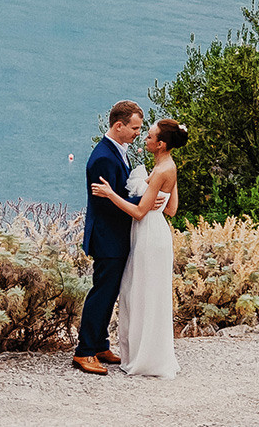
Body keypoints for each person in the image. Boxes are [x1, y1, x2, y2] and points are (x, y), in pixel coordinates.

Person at [92, 117, 187, 378]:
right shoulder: (168, 166)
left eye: (150, 136)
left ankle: (144, 358)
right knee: (148, 293)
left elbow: (139, 212)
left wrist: (111, 194)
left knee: (141, 293)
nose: (145, 138)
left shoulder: (160, 171)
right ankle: (147, 353)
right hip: (157, 234)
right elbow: (172, 209)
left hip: (148, 237)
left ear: (161, 144)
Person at [74, 100, 144, 374]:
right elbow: (105, 203)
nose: (138, 132)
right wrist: (144, 201)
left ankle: (100, 344)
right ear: (119, 125)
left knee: (110, 291)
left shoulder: (117, 151)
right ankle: (85, 351)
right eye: (135, 128)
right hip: (107, 237)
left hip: (114, 236)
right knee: (101, 293)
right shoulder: (104, 157)